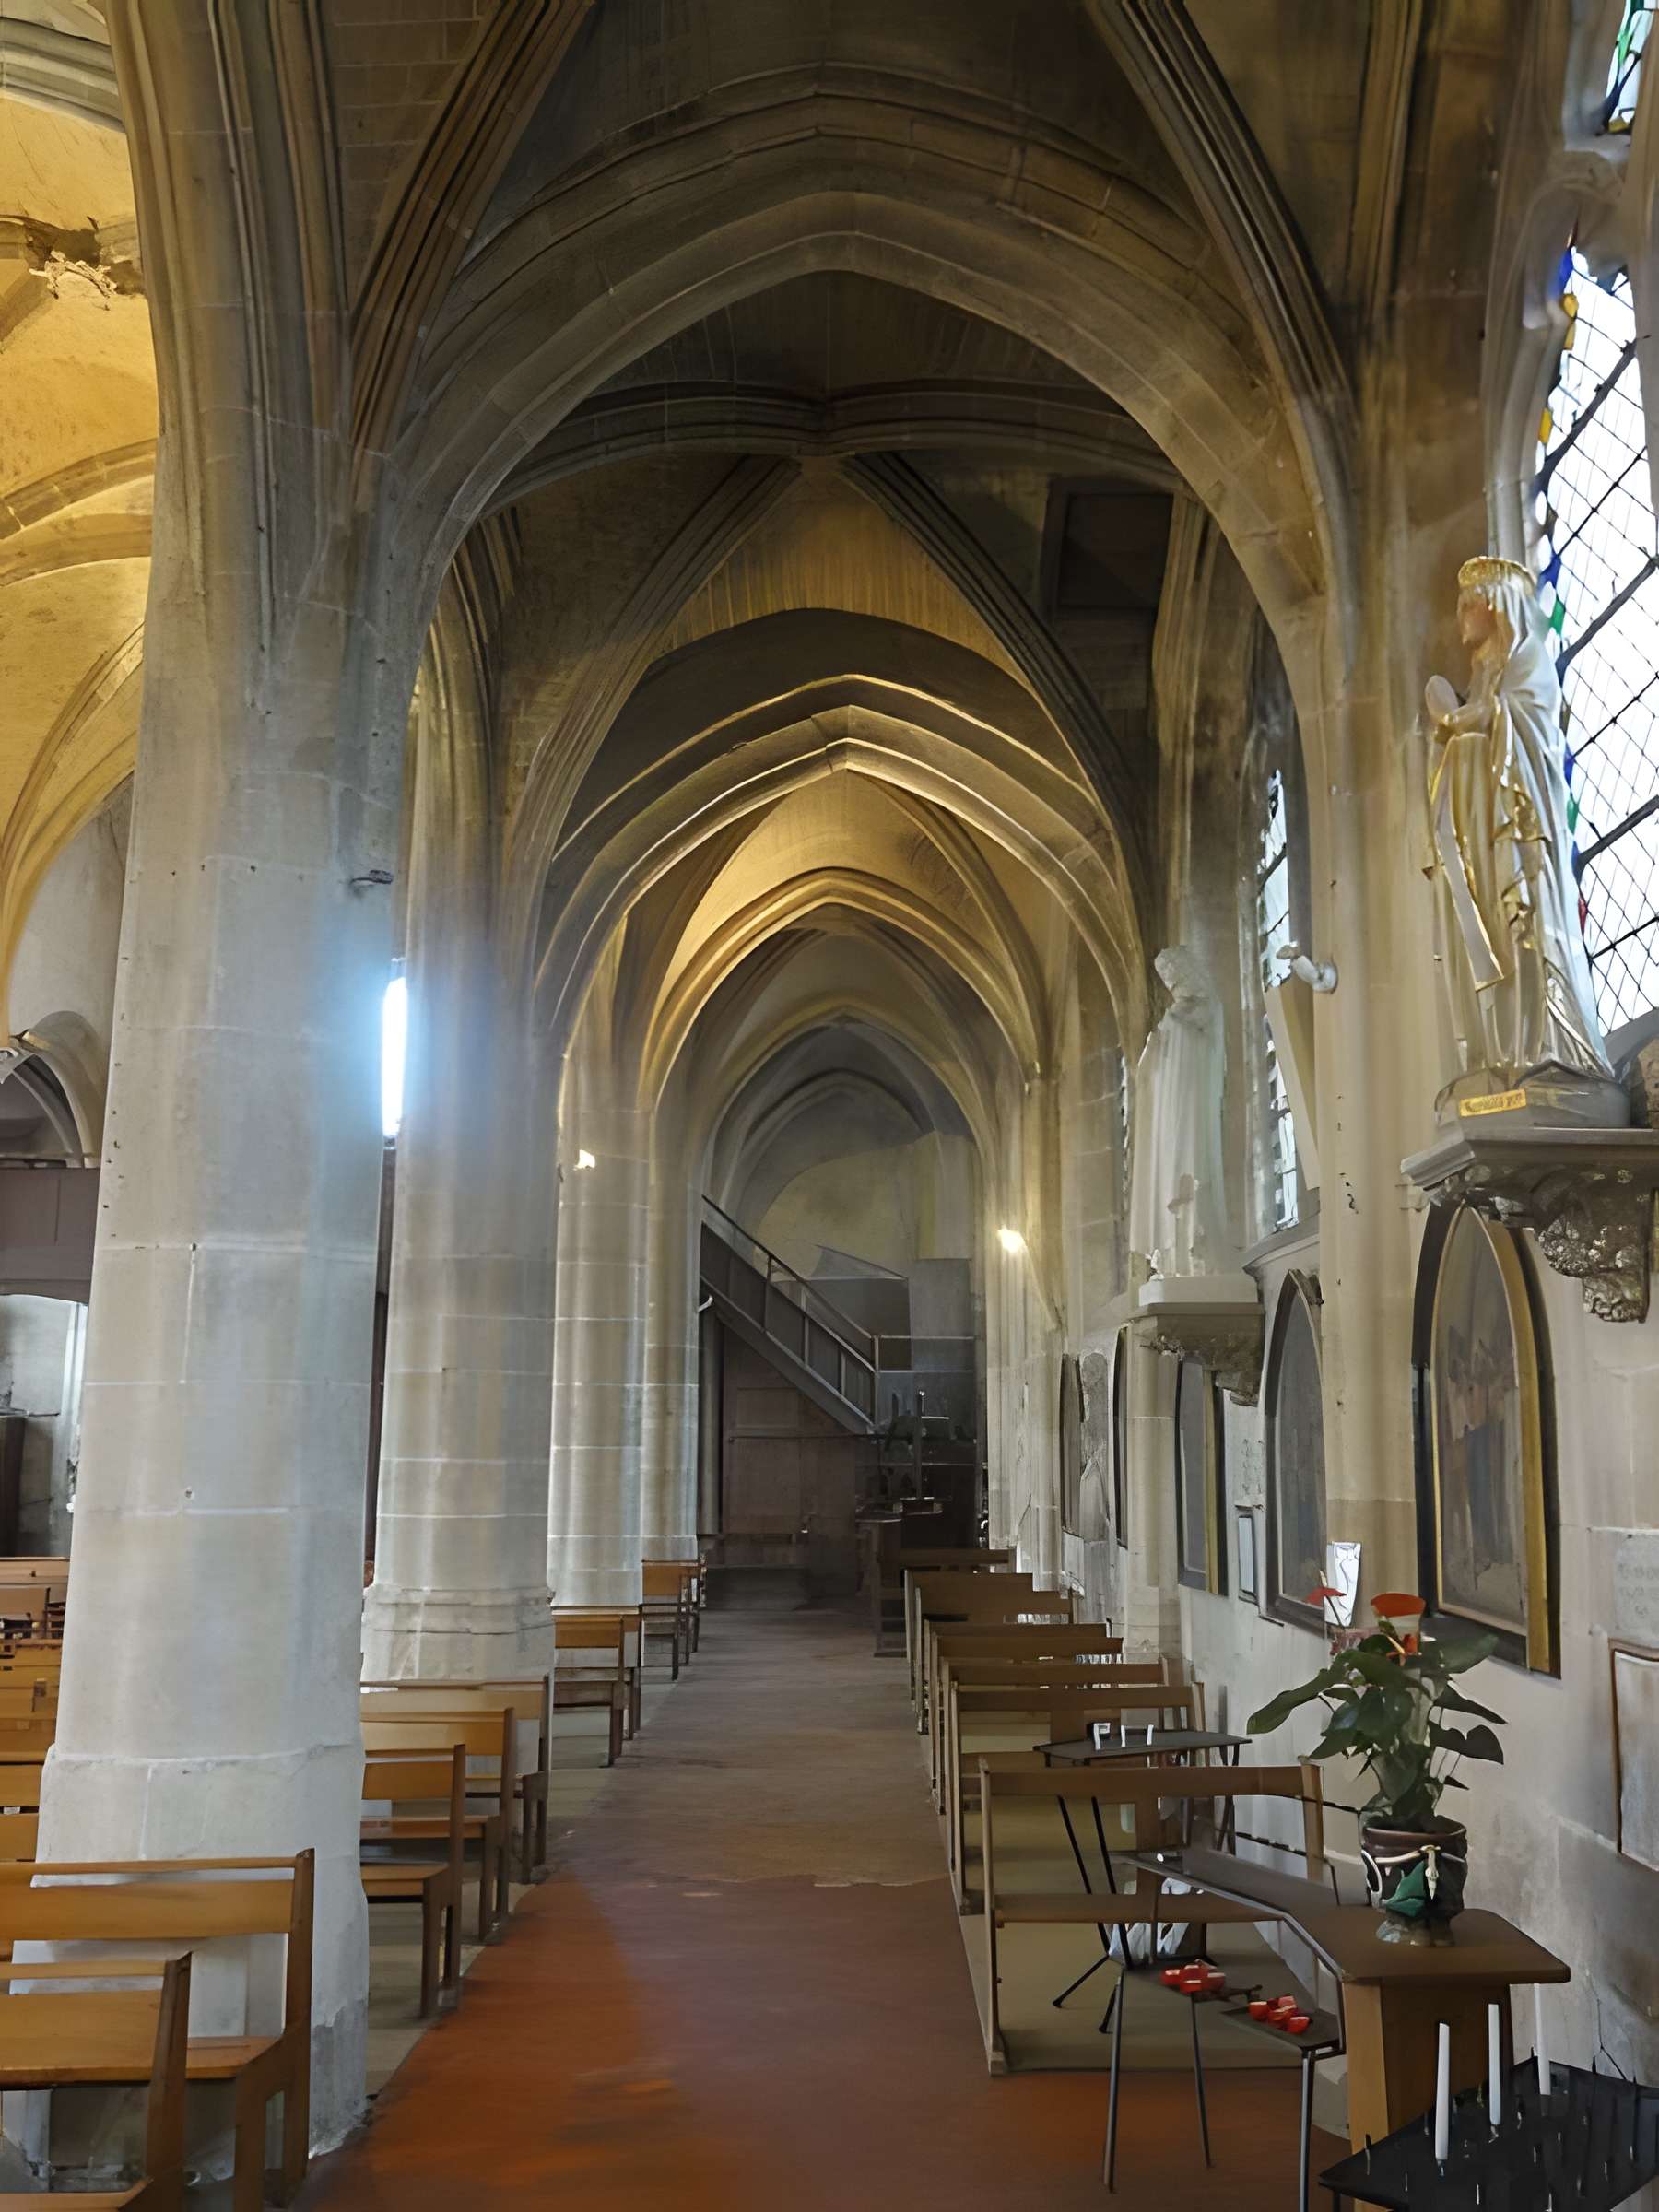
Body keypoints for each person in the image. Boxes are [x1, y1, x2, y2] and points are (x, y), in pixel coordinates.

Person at [1422, 556, 1611, 1086]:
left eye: (1468, 603)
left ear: (1496, 605)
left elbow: (1519, 733)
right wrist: (1450, 729)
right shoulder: (1480, 677)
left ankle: (1544, 1048)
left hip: (1521, 833)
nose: (1460, 615)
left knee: (1525, 928)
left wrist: (1454, 718)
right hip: (1482, 836)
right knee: (1485, 935)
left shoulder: (1527, 664)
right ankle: (1498, 1054)